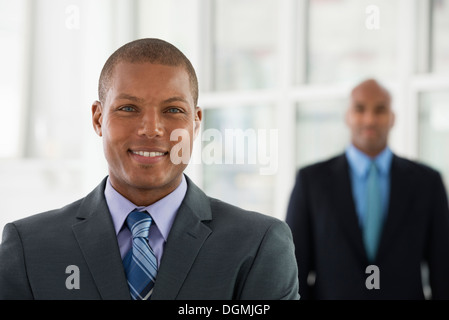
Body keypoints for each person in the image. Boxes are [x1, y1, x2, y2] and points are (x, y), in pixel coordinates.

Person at [0, 38, 299, 300]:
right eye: (129, 108)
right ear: (97, 118)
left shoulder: (259, 246)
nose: (152, 129)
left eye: (173, 110)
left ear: (195, 124)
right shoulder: (28, 248)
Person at [286, 78, 449, 300]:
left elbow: (442, 267)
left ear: (392, 118)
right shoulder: (311, 181)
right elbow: (295, 266)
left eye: (380, 110)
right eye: (360, 109)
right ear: (347, 117)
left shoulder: (427, 182)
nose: (370, 119)